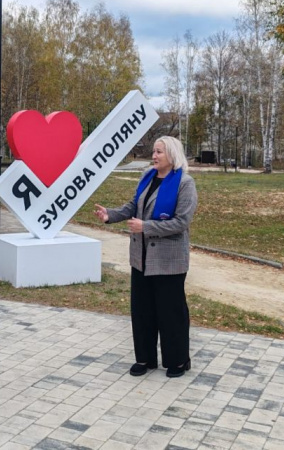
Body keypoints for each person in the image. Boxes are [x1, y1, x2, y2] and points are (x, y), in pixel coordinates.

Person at [94, 136, 198, 378]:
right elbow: (133, 206)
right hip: (141, 258)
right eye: (154, 151)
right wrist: (110, 215)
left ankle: (178, 361)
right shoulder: (147, 177)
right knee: (142, 311)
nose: (154, 156)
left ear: (172, 154)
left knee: (170, 313)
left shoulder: (185, 183)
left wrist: (147, 227)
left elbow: (181, 222)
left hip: (168, 260)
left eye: (159, 152)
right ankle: (145, 359)